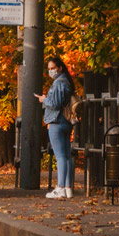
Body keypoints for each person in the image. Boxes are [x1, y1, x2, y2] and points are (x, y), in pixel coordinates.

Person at [36, 55, 75, 199]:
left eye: (53, 68)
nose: (50, 71)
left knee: (60, 157)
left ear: (60, 68)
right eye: (49, 69)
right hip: (66, 122)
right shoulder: (66, 81)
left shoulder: (59, 82)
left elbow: (55, 104)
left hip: (56, 121)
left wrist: (44, 99)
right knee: (67, 156)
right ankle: (68, 188)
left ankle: (60, 188)